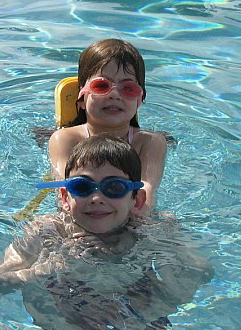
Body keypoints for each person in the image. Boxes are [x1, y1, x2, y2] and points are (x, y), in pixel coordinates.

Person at [0, 136, 213, 330]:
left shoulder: (155, 229)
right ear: (64, 197)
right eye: (82, 187)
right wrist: (45, 269)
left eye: (114, 187)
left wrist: (165, 261)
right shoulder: (45, 230)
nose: (96, 197)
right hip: (67, 309)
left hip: (135, 312)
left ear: (137, 200)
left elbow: (201, 271)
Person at [48, 39, 167, 215]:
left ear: (139, 100)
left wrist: (137, 224)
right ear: (81, 99)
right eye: (101, 86)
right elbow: (64, 189)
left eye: (128, 88)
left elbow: (146, 188)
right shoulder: (65, 139)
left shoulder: (150, 142)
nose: (115, 94)